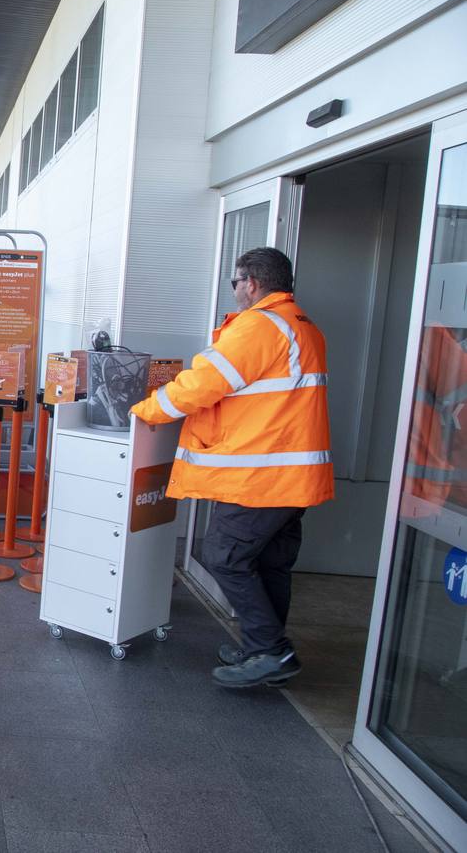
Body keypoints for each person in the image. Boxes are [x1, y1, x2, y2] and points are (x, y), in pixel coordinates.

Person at [130, 246, 333, 688]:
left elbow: (200, 385)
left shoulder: (260, 327)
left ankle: (270, 651)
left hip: (262, 478)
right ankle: (265, 646)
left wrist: (143, 411)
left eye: (235, 282)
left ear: (252, 283)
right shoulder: (303, 326)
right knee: (271, 563)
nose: (235, 290)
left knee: (225, 555)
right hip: (291, 477)